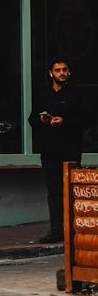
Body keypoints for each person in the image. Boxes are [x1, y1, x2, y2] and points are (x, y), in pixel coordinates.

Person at [28, 57, 87, 245]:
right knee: (53, 191)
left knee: (71, 189)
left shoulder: (76, 94)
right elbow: (32, 119)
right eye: (58, 70)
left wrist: (64, 122)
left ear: (68, 72)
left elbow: (85, 120)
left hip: (70, 149)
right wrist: (43, 121)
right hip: (49, 149)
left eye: (64, 70)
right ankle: (56, 230)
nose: (61, 73)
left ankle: (73, 228)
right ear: (51, 73)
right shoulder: (43, 94)